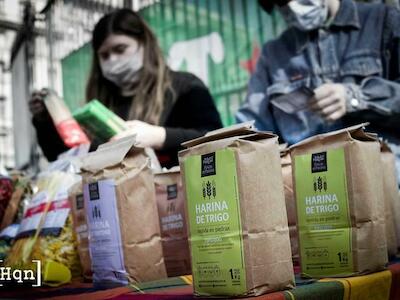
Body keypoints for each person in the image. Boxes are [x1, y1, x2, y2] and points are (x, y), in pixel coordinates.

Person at [30, 9, 223, 169]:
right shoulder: (101, 106)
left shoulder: (184, 87)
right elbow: (68, 158)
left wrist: (159, 136)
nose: (113, 60)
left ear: (144, 44)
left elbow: (216, 139)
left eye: (120, 49)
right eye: (104, 55)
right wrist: (44, 121)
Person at [237, 0, 400, 182]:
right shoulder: (273, 55)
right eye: (281, 2)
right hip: (312, 189)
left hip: (383, 180)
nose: (291, 7)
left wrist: (356, 98)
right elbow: (252, 129)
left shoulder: (383, 21)